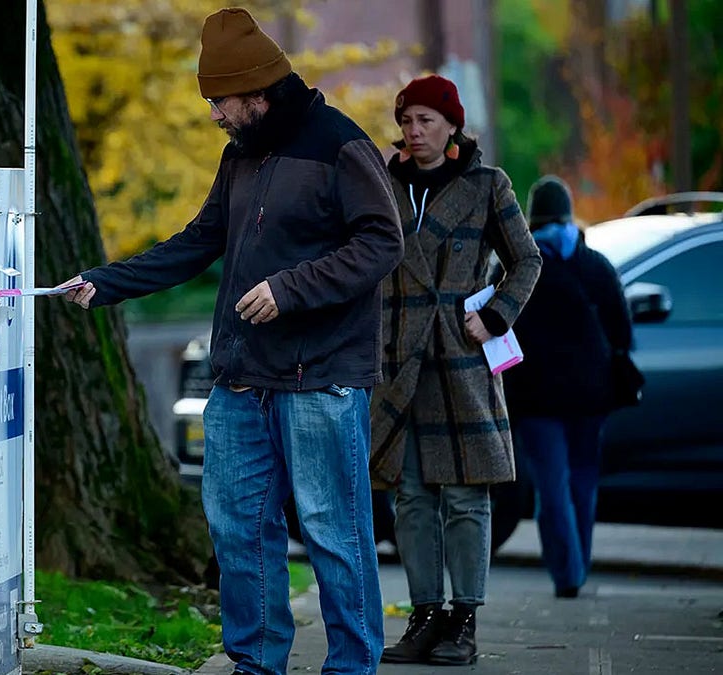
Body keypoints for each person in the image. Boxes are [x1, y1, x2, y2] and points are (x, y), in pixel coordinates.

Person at [61, 8, 403, 674]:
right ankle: (255, 664)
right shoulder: (241, 155)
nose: (214, 114)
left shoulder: (341, 145)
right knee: (239, 533)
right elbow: (198, 241)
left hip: (322, 380)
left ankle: (353, 665)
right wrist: (105, 282)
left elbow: (383, 243)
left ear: (257, 92)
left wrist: (290, 288)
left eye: (219, 101)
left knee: (335, 535)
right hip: (242, 381)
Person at [369, 74, 541, 666]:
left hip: (461, 359)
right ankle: (425, 617)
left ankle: (464, 620)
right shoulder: (382, 185)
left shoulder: (487, 185)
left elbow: (527, 260)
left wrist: (495, 316)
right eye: (407, 121)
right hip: (397, 363)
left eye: (426, 121)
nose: (413, 132)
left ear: (451, 127)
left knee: (466, 498)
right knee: (410, 498)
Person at [502, 175, 633, 599]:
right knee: (582, 480)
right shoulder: (594, 264)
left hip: (535, 397)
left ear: (532, 216)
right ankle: (580, 564)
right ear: (568, 213)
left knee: (552, 484)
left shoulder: (516, 266)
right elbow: (622, 331)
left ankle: (568, 573)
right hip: (591, 396)